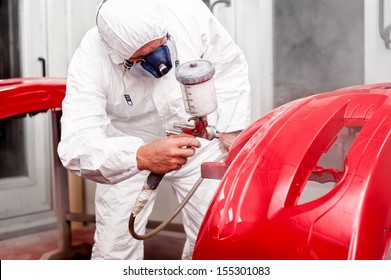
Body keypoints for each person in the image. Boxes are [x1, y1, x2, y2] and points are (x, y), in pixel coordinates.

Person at [58, 0, 250, 260]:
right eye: (143, 57)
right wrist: (140, 156)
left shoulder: (185, 10)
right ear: (118, 56)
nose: (162, 62)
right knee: (113, 250)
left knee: (217, 234)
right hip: (128, 148)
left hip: (196, 139)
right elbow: (76, 145)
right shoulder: (90, 58)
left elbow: (229, 64)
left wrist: (232, 127)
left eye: (163, 44)